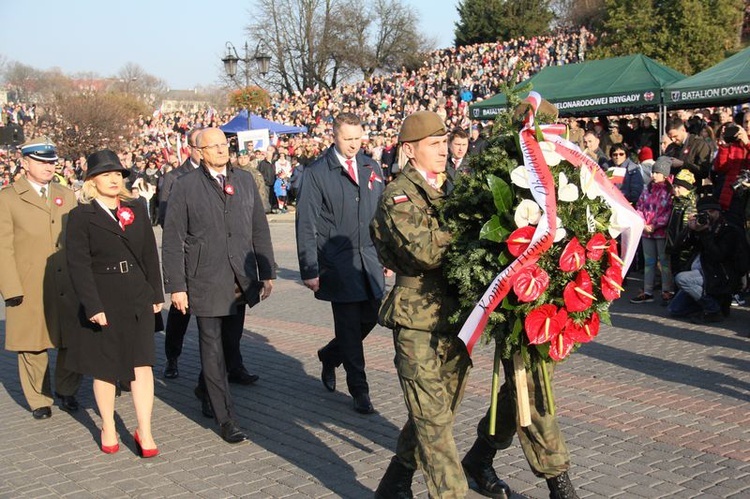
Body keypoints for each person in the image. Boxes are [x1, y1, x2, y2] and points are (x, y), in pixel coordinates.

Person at [371, 111, 473, 499]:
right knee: (433, 422)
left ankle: (394, 482)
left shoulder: (452, 189)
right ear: (410, 151)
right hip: (417, 322)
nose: (443, 151)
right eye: (434, 144)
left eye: (445, 143)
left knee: (437, 412)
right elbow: (425, 250)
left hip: (454, 319)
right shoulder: (398, 195)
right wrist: (469, 225)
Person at [162, 127, 276, 444]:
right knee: (211, 348)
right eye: (212, 145)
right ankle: (226, 418)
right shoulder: (184, 186)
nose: (221, 149)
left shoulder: (243, 181)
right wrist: (177, 286)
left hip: (240, 277)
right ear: (198, 150)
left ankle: (204, 387)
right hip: (205, 279)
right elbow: (172, 241)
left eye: (224, 144)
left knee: (229, 343)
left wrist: (267, 271)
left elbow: (259, 228)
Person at [65, 149, 163, 456]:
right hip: (103, 296)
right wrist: (92, 306)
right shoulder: (81, 216)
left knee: (142, 364)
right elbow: (77, 264)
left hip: (138, 294)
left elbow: (149, 253)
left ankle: (144, 430)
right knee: (105, 367)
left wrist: (156, 294)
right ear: (92, 181)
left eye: (117, 174)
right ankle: (108, 424)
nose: (112, 179)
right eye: (105, 174)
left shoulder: (137, 208)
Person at [296, 112, 386, 415]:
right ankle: (360, 390)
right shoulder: (318, 172)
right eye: (347, 139)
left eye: (358, 138)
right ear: (334, 136)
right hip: (337, 262)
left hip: (369, 260)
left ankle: (330, 354)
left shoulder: (371, 167)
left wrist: (388, 255)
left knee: (374, 315)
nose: (353, 144)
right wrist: (310, 269)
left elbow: (382, 217)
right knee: (348, 328)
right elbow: (305, 223)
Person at [0, 137, 82, 420]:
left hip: (66, 283)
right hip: (30, 283)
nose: (49, 166)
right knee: (32, 345)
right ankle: (39, 399)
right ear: (25, 163)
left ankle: (67, 389)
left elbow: (77, 240)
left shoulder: (66, 194)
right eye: (42, 161)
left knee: (71, 338)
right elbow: (3, 247)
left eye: (51, 161)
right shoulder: (8, 198)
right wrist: (10, 287)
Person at [667, 195, 746, 323]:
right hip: (702, 272)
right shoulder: (701, 227)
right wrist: (690, 230)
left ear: (717, 211)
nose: (707, 216)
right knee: (674, 310)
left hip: (719, 275)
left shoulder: (728, 230)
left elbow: (718, 256)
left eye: (710, 212)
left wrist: (705, 233)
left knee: (682, 278)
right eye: (703, 213)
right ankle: (709, 304)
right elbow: (679, 248)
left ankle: (713, 309)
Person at [631, 157, 675, 304]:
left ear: (664, 174)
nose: (654, 175)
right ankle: (647, 291)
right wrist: (644, 224)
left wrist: (656, 225)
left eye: (657, 172)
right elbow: (640, 207)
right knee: (649, 262)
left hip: (660, 232)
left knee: (664, 262)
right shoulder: (647, 189)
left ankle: (666, 290)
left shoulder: (669, 191)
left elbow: (668, 212)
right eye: (653, 172)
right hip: (646, 232)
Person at [665, 118, 712, 189]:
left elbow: (703, 172)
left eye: (675, 136)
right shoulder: (671, 147)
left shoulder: (699, 144)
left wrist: (683, 164)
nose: (673, 140)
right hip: (673, 188)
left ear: (683, 130)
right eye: (670, 138)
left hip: (691, 189)